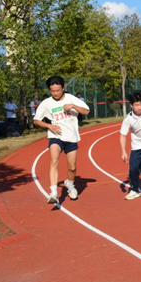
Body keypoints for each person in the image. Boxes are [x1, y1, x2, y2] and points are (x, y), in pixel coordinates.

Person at [33, 76, 90, 204]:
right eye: (52, 91)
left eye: (58, 90)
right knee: (54, 160)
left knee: (72, 167)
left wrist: (73, 106)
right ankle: (53, 192)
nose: (55, 93)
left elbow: (86, 111)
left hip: (71, 137)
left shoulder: (70, 98)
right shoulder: (46, 103)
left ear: (63, 88)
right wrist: (50, 126)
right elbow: (36, 120)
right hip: (55, 136)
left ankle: (70, 184)